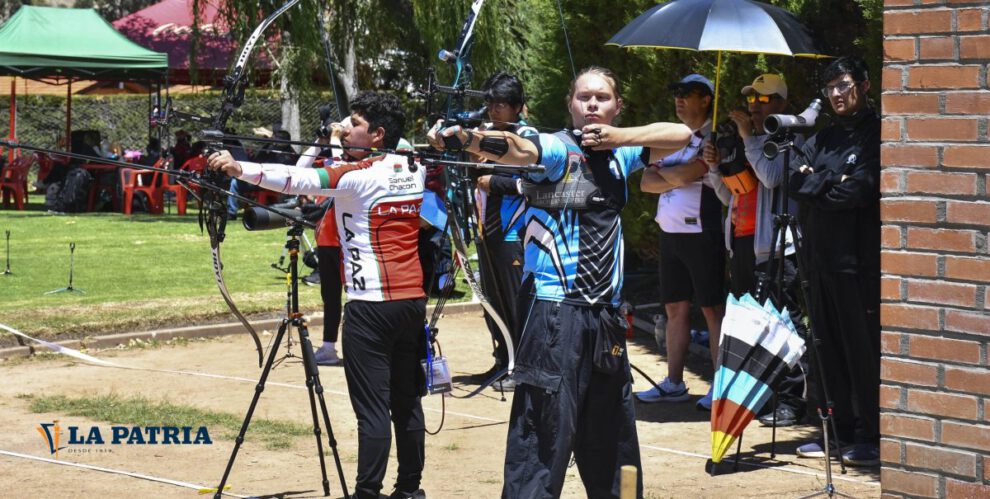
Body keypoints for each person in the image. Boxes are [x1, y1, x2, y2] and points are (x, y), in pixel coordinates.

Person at [430, 65, 692, 499]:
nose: (592, 104)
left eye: (602, 98)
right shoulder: (556, 149)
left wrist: (620, 137)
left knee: (614, 437)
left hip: (605, 317)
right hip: (555, 315)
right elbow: (517, 149)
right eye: (583, 97)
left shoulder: (622, 154)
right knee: (542, 438)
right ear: (570, 105)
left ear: (617, 106)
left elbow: (681, 134)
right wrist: (468, 138)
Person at [209, 91, 429, 498]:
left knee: (374, 411)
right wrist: (343, 138)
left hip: (371, 308)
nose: (346, 127)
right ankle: (411, 491)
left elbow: (296, 179)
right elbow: (388, 152)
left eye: (357, 123)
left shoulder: (356, 177)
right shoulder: (412, 166)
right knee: (407, 402)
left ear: (378, 135)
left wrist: (238, 167)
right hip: (412, 302)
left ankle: (367, 492)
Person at [788, 56, 880, 467]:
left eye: (845, 85)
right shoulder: (823, 138)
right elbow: (795, 182)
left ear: (864, 85)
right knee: (826, 347)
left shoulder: (876, 134)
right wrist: (828, 182)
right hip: (818, 261)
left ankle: (870, 436)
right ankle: (839, 431)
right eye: (831, 89)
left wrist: (818, 182)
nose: (838, 95)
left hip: (856, 262)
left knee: (861, 349)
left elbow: (857, 191)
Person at [701, 73, 807, 426]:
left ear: (781, 103)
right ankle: (761, 398)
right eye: (751, 100)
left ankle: (793, 400)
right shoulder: (750, 142)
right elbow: (731, 194)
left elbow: (772, 177)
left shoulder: (789, 138)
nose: (754, 107)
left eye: (763, 100)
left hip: (778, 248)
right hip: (744, 244)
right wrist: (715, 167)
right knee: (751, 327)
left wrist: (749, 137)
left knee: (783, 323)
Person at [635, 74, 728, 412]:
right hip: (670, 232)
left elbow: (685, 176)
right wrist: (673, 174)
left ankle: (719, 386)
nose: (678, 99)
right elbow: (645, 181)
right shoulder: (674, 138)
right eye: (675, 92)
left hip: (702, 232)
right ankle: (674, 382)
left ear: (705, 100)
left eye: (686, 93)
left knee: (712, 309)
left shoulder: (713, 138)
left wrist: (671, 174)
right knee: (674, 308)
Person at [470, 71, 538, 389]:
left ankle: (522, 366)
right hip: (486, 231)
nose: (494, 110)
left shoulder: (527, 137)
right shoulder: (485, 134)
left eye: (501, 104)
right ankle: (502, 361)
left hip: (513, 233)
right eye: (490, 103)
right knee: (491, 301)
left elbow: (532, 182)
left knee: (514, 301)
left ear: (517, 107)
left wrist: (490, 181)